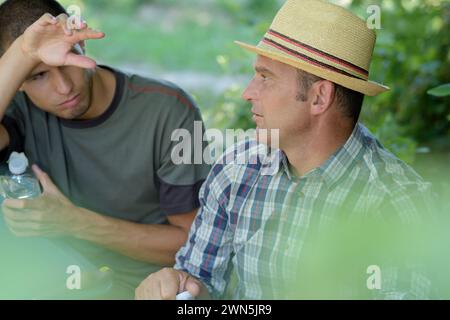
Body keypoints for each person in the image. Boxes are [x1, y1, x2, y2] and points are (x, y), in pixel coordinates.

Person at [135, 0, 436, 300]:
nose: (248, 93)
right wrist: (180, 287)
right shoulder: (236, 170)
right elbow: (200, 279)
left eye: (266, 77)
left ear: (319, 97)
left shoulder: (397, 203)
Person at [0, 0, 210, 298]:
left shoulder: (170, 109)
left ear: (80, 43)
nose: (64, 87)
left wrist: (74, 221)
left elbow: (195, 243)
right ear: (18, 82)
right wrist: (22, 54)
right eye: (38, 75)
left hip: (145, 288)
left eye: (66, 61)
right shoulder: (17, 111)